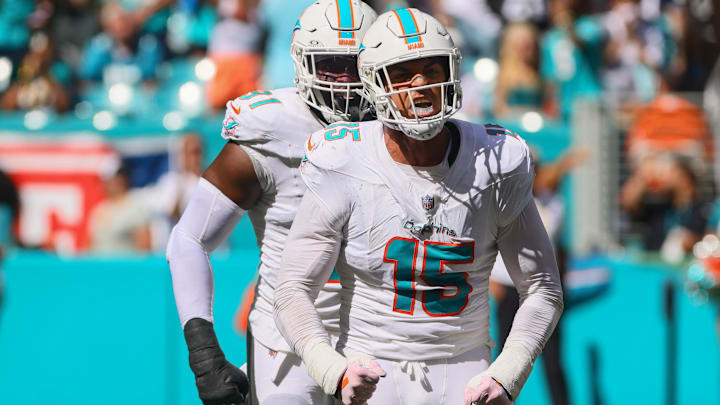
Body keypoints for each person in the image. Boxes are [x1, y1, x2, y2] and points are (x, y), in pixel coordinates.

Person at [273, 8, 564, 405]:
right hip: (370, 371)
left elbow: (543, 289)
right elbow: (292, 289)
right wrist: (332, 369)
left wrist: (507, 374)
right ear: (374, 83)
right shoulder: (342, 159)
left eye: (432, 68)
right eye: (404, 72)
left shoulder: (496, 161)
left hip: (466, 373)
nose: (422, 84)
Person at [165, 1, 378, 404]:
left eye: (356, 64)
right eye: (331, 63)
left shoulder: (401, 132)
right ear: (302, 62)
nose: (346, 81)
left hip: (383, 339)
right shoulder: (270, 131)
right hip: (287, 347)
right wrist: (204, 352)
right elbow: (189, 238)